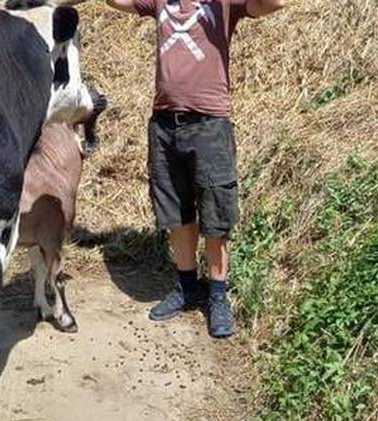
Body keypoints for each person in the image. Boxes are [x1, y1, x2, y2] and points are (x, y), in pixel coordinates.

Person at [105, 0, 284, 338]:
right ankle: (188, 286)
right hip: (164, 124)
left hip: (209, 124)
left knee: (216, 211)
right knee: (176, 210)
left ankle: (217, 295)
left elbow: (276, 3)